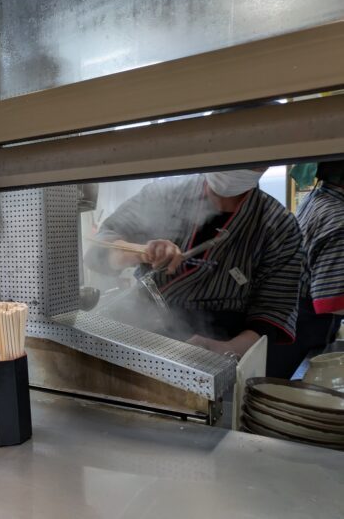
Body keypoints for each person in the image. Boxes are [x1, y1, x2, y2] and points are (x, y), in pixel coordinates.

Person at [85, 169, 303, 360]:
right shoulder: (163, 194)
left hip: (225, 343)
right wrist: (141, 252)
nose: (234, 164)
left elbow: (273, 312)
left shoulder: (279, 225)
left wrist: (225, 352)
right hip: (143, 331)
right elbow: (98, 250)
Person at [273, 161, 344, 377]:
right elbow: (329, 303)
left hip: (287, 317)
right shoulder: (339, 218)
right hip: (303, 330)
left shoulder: (317, 198)